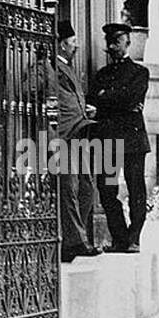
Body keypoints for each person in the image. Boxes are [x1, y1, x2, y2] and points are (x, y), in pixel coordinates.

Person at [87, 23, 150, 253]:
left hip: (132, 140)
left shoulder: (140, 72)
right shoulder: (102, 75)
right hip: (108, 140)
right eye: (110, 42)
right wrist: (116, 101)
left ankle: (134, 238)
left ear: (128, 43)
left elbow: (129, 98)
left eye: (118, 41)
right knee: (106, 190)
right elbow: (95, 101)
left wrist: (107, 100)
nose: (113, 46)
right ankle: (120, 238)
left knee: (136, 190)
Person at [52, 20, 101, 263]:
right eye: (72, 43)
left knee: (87, 187)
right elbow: (30, 90)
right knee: (69, 188)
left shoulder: (69, 68)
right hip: (61, 137)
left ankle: (75, 238)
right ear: (62, 45)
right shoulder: (48, 67)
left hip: (79, 132)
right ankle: (75, 242)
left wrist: (85, 111)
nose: (77, 46)